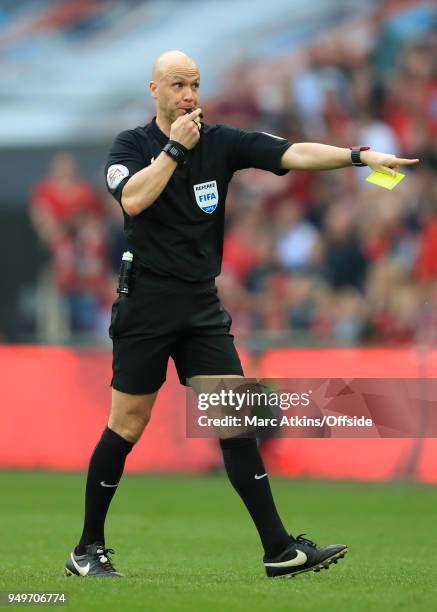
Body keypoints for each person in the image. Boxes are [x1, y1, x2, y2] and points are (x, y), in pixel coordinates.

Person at [65, 50, 419, 579]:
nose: (189, 95)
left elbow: (292, 153)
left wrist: (357, 156)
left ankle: (279, 549)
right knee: (127, 423)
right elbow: (134, 201)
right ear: (155, 91)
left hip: (200, 304)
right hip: (147, 302)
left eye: (196, 84)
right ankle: (87, 548)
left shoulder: (222, 141)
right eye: (179, 85)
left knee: (237, 416)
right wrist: (172, 151)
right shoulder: (131, 146)